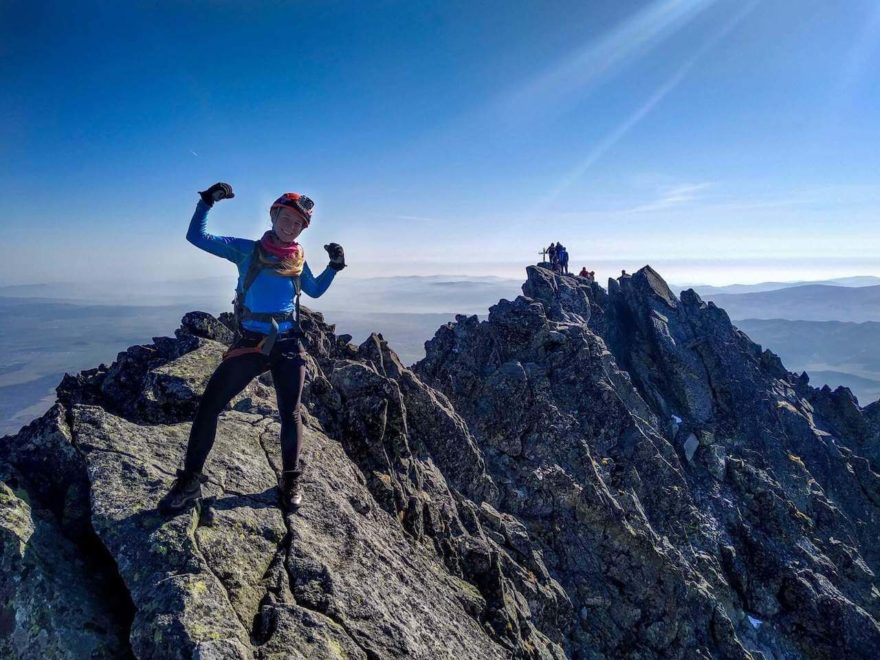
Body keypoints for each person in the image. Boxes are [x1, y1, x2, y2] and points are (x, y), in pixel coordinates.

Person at [158, 182, 345, 515]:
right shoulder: (247, 250)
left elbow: (313, 291)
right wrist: (205, 203)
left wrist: (334, 267)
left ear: (303, 229)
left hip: (288, 342)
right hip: (251, 344)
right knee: (209, 406)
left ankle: (290, 480)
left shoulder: (299, 258)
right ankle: (189, 482)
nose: (290, 227)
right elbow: (197, 237)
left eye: (297, 223)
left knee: (290, 412)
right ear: (273, 216)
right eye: (286, 218)